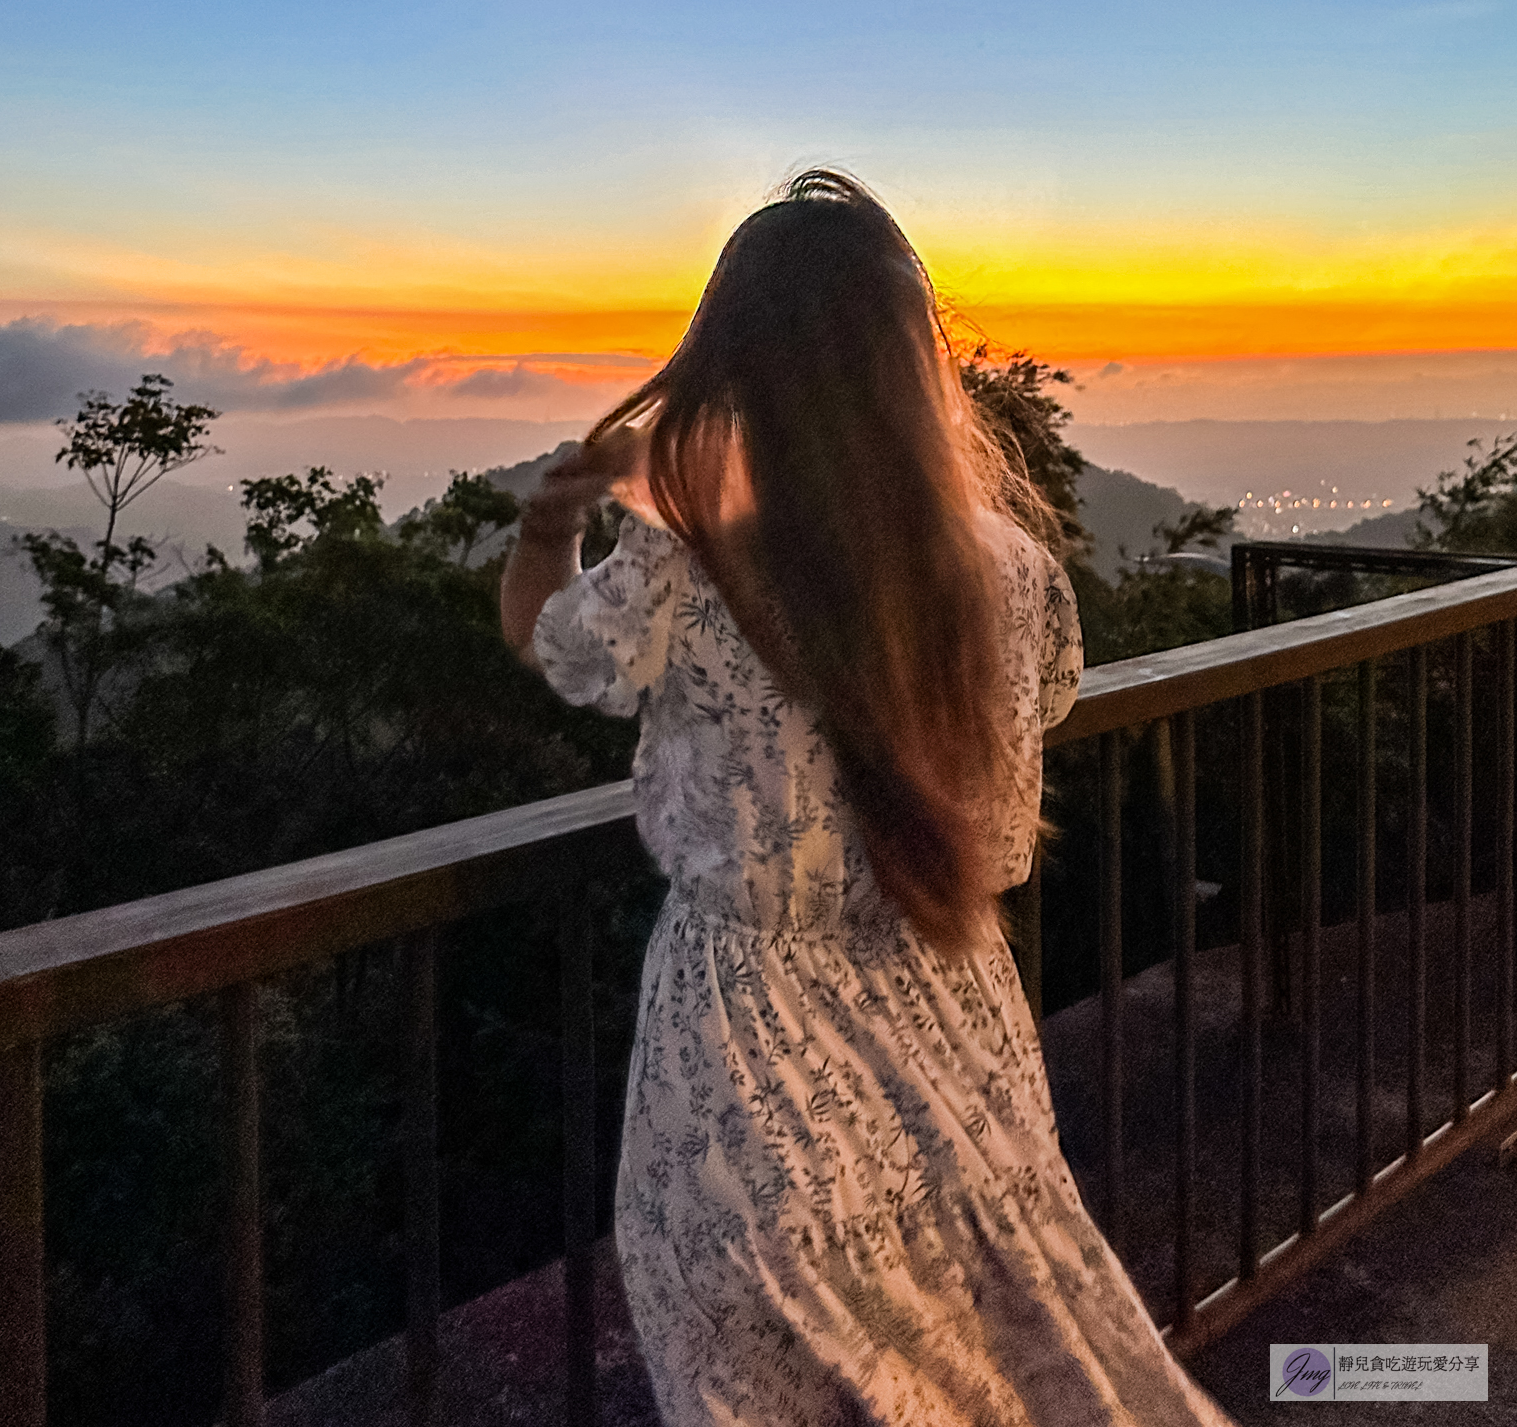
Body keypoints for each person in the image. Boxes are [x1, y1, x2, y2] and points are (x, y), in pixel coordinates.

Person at [501, 172, 1234, 1427]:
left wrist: (546, 526)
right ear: (913, 366)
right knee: (1007, 1363)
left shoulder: (691, 559)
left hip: (745, 1058)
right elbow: (1045, 703)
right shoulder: (1010, 569)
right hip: (958, 1025)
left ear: (733, 362)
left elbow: (559, 651)